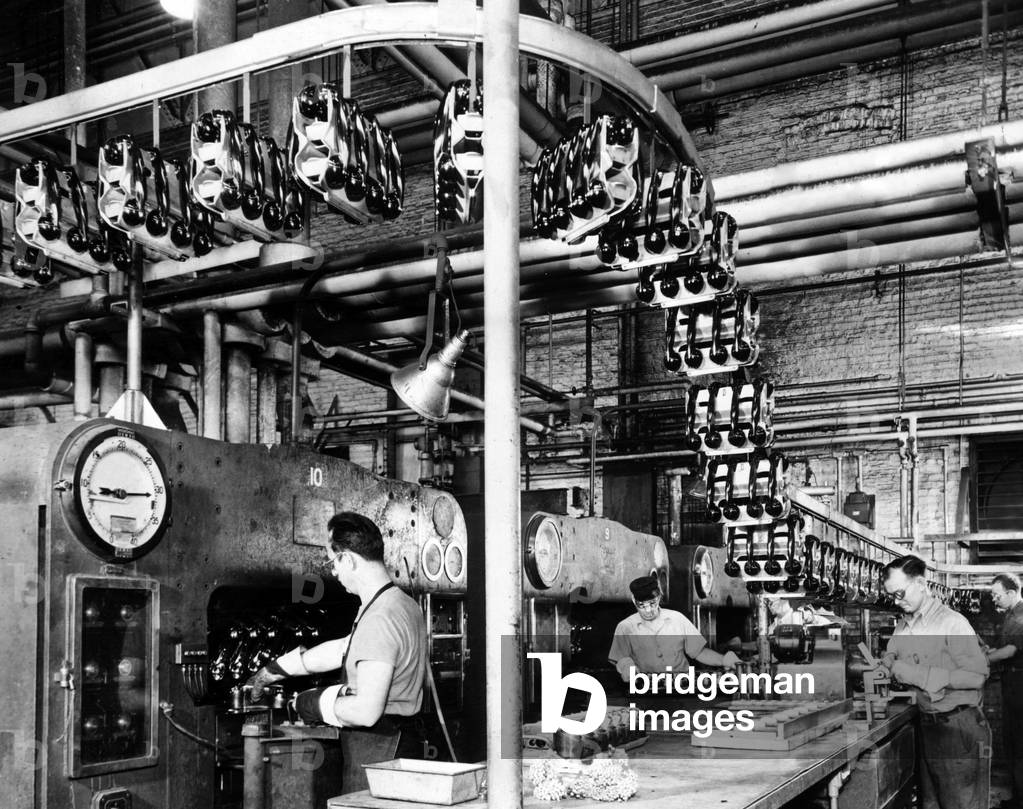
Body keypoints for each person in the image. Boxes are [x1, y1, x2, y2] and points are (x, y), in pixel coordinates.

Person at [247, 512, 427, 789]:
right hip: (400, 744)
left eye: (333, 562)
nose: (333, 571)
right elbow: (346, 647)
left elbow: (365, 711)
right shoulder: (400, 604)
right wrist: (272, 672)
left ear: (350, 559)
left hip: (380, 753)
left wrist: (311, 702)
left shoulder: (380, 618)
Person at [879, 555, 990, 809]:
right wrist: (887, 661)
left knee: (961, 804)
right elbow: (892, 651)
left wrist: (920, 675)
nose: (897, 601)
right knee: (931, 804)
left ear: (920, 583)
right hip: (929, 725)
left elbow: (977, 676)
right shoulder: (903, 625)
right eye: (891, 596)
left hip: (958, 727)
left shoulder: (951, 622)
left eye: (899, 593)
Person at [608, 574, 740, 681]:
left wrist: (724, 660)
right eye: (641, 605)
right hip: (646, 691)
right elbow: (619, 657)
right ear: (633, 600)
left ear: (659, 597)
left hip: (682, 686)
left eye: (652, 603)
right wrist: (626, 666)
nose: (648, 610)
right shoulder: (625, 627)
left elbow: (699, 652)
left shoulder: (677, 619)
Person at [985, 573, 1023, 809]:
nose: (994, 600)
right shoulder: (1012, 615)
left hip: (1020, 690)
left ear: (1011, 593)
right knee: (1014, 743)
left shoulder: (1020, 616)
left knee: (1019, 744)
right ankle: (1018, 797)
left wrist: (982, 659)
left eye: (997, 595)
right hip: (1014, 688)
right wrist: (990, 650)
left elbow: (1010, 651)